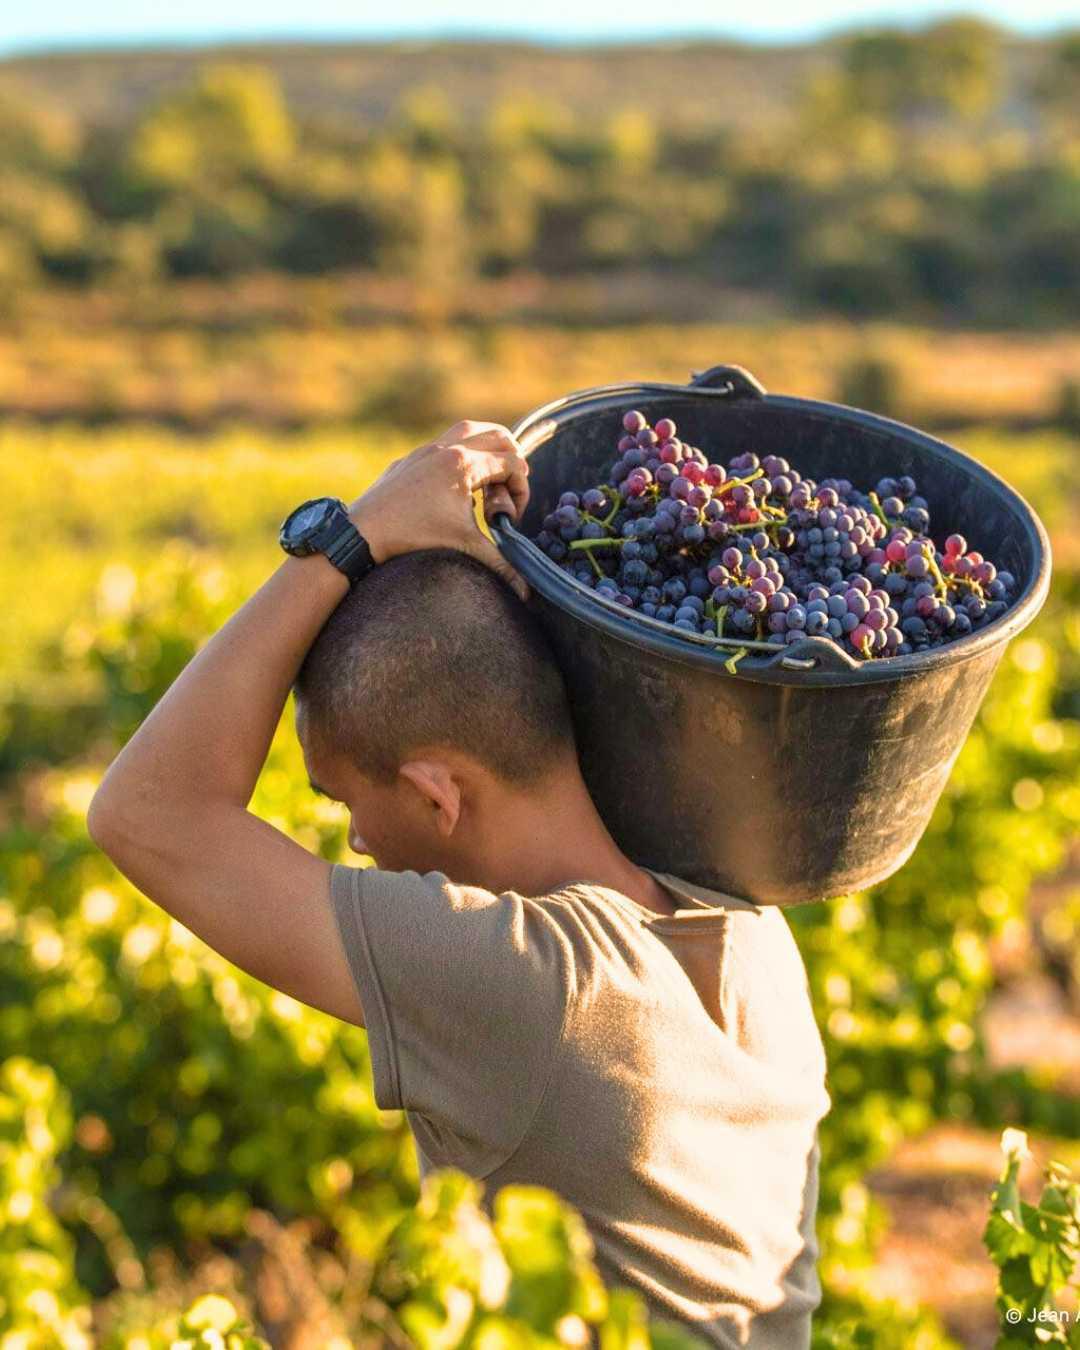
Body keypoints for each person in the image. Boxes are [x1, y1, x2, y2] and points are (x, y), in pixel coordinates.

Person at [88, 420, 832, 1349]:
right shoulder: (751, 928)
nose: (355, 839)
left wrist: (347, 538)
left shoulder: (538, 985)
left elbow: (145, 813)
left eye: (346, 800)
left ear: (436, 792)